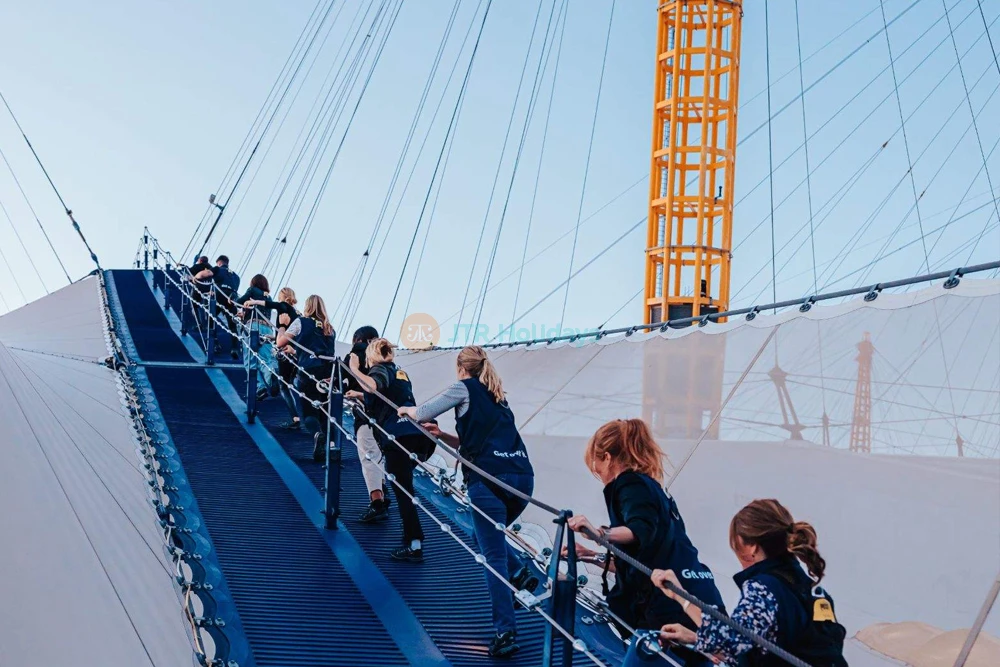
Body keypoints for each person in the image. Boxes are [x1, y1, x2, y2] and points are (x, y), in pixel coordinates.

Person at [398, 345, 534, 659]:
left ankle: (505, 632)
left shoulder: (465, 387)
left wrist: (406, 411)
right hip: (521, 480)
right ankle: (520, 574)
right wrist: (442, 436)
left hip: (488, 482)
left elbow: (422, 411)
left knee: (492, 559)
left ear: (461, 367)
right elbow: (475, 442)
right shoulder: (499, 397)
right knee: (483, 534)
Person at [567, 419, 724, 665]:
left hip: (665, 605)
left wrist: (599, 535)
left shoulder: (629, 483)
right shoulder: (653, 489)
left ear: (607, 457)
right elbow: (641, 563)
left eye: (595, 465)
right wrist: (589, 554)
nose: (597, 472)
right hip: (694, 592)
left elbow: (640, 530)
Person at [653, 499, 847, 667]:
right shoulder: (812, 590)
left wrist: (679, 595)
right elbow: (767, 648)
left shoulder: (763, 588)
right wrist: (694, 639)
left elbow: (728, 639)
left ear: (752, 547)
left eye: (736, 545)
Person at [347, 338, 434, 559]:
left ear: (371, 356)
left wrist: (354, 368)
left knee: (403, 491)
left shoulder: (379, 369)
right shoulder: (399, 372)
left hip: (398, 438)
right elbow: (387, 396)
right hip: (417, 435)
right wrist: (359, 396)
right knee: (404, 486)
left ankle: (414, 545)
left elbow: (373, 385)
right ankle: (410, 539)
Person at [276, 294, 336, 458]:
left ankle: (317, 434)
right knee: (324, 412)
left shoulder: (300, 322)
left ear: (307, 307)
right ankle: (327, 451)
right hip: (327, 374)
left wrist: (281, 326)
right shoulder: (329, 328)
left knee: (308, 411)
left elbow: (280, 342)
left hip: (307, 371)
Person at [343, 326, 391, 523]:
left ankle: (377, 501)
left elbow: (340, 380)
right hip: (386, 417)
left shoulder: (354, 355)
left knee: (368, 455)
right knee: (378, 454)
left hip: (365, 414)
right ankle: (382, 487)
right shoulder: (387, 363)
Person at [236, 274, 278, 401]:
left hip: (253, 326)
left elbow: (239, 301)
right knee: (266, 357)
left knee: (250, 359)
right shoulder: (268, 297)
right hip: (267, 328)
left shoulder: (252, 291)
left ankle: (260, 387)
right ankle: (270, 376)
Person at [266, 287, 301, 430]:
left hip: (285, 352)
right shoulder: (298, 314)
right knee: (288, 383)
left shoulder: (284, 308)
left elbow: (270, 305)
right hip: (295, 353)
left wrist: (253, 301)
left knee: (283, 385)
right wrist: (274, 337)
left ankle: (295, 417)